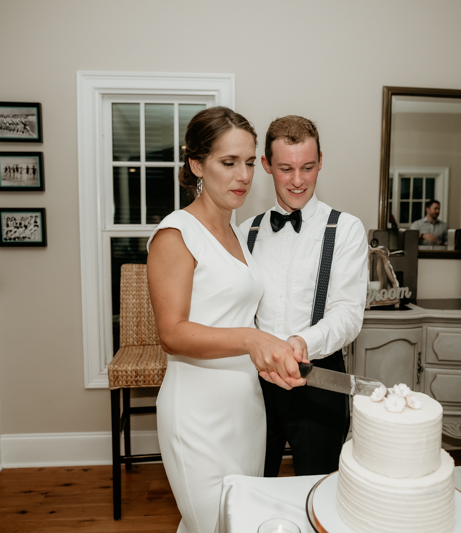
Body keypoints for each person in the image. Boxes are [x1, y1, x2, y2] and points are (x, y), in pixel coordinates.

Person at [146, 107, 305, 533]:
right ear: (197, 164)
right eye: (229, 162)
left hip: (246, 409)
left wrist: (275, 349)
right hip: (197, 415)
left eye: (250, 162)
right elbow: (172, 333)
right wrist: (253, 340)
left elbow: (233, 314)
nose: (244, 176)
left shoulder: (237, 233)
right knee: (209, 525)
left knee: (239, 522)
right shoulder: (175, 234)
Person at [241, 115, 368, 477]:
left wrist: (300, 343)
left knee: (318, 488)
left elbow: (348, 314)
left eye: (308, 167)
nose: (298, 180)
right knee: (253, 482)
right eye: (286, 168)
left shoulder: (345, 230)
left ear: (321, 161)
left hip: (318, 377)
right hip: (255, 381)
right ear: (266, 165)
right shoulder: (244, 231)